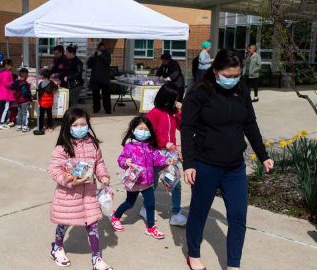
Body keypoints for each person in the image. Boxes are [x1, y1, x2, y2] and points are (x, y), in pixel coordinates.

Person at [181, 49, 274, 270]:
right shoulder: (199, 93)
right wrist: (189, 164)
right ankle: (193, 254)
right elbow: (187, 128)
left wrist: (263, 155)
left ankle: (234, 264)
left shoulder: (241, 90)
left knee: (238, 215)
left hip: (235, 167)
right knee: (199, 211)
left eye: (236, 76)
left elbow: (250, 123)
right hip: (206, 164)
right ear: (215, 71)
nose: (233, 80)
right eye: (228, 75)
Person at [48, 108, 112, 270]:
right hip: (69, 195)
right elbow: (55, 170)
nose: (80, 127)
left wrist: (103, 176)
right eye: (75, 125)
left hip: (89, 193)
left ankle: (96, 259)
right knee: (64, 223)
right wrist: (67, 179)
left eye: (83, 124)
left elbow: (99, 163)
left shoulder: (93, 144)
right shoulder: (62, 147)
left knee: (92, 224)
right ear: (67, 126)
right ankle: (57, 247)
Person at [111, 115, 174, 239]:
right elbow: (121, 159)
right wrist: (125, 162)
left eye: (146, 130)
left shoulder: (150, 146)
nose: (144, 132)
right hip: (134, 181)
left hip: (148, 182)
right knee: (129, 203)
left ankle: (150, 228)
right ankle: (116, 217)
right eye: (141, 129)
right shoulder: (129, 147)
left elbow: (157, 159)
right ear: (133, 130)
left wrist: (167, 160)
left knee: (151, 204)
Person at [145, 85, 187, 226]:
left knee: (175, 183)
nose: (176, 102)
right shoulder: (154, 113)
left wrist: (180, 111)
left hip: (170, 154)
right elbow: (148, 134)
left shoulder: (173, 113)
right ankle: (146, 207)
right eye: (174, 99)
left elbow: (182, 127)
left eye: (177, 99)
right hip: (156, 153)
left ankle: (176, 213)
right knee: (153, 183)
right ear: (165, 99)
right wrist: (163, 143)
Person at [88, 42, 112, 114]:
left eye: (103, 46)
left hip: (104, 78)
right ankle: (96, 109)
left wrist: (101, 55)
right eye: (100, 47)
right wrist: (91, 57)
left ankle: (107, 109)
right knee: (95, 95)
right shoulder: (95, 55)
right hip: (95, 78)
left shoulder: (107, 54)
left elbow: (108, 62)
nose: (101, 48)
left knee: (106, 95)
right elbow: (89, 65)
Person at [0, 59, 15, 130]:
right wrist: (13, 84)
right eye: (11, 65)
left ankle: (3, 121)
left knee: (2, 108)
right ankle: (1, 123)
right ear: (7, 65)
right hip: (5, 94)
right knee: (5, 108)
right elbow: (6, 83)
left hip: (0, 93)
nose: (12, 67)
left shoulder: (0, 73)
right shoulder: (7, 73)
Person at [36, 69, 58, 133]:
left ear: (43, 76)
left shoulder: (41, 83)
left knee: (41, 115)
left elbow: (39, 93)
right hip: (50, 102)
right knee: (49, 114)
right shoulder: (52, 83)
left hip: (43, 102)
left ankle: (41, 127)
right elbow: (56, 87)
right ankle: (50, 127)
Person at [11, 68, 32, 132]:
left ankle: (19, 125)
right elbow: (25, 92)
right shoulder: (24, 83)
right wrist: (30, 95)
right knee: (25, 113)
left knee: (19, 113)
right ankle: (25, 126)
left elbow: (12, 87)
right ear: (26, 75)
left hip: (18, 100)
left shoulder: (17, 82)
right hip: (24, 100)